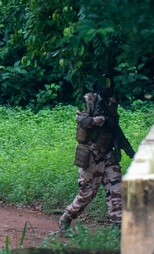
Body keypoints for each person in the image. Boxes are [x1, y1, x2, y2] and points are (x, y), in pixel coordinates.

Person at [58, 78, 135, 234]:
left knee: (117, 191)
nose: (109, 90)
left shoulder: (112, 103)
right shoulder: (88, 100)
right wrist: (99, 120)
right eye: (106, 87)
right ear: (99, 87)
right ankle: (65, 219)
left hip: (108, 155)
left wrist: (120, 149)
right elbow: (81, 120)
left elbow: (114, 130)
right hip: (91, 153)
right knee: (86, 194)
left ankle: (118, 229)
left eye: (111, 87)